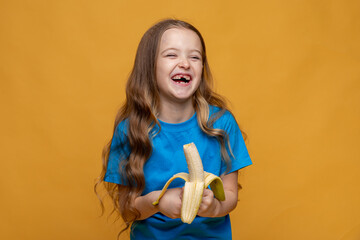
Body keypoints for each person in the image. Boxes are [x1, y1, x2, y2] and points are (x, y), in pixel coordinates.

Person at [95, 19, 252, 240]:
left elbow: (230, 195)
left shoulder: (222, 124)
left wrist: (213, 207)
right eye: (171, 55)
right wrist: (157, 202)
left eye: (194, 57)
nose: (185, 63)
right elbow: (128, 209)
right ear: (150, 66)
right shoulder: (130, 130)